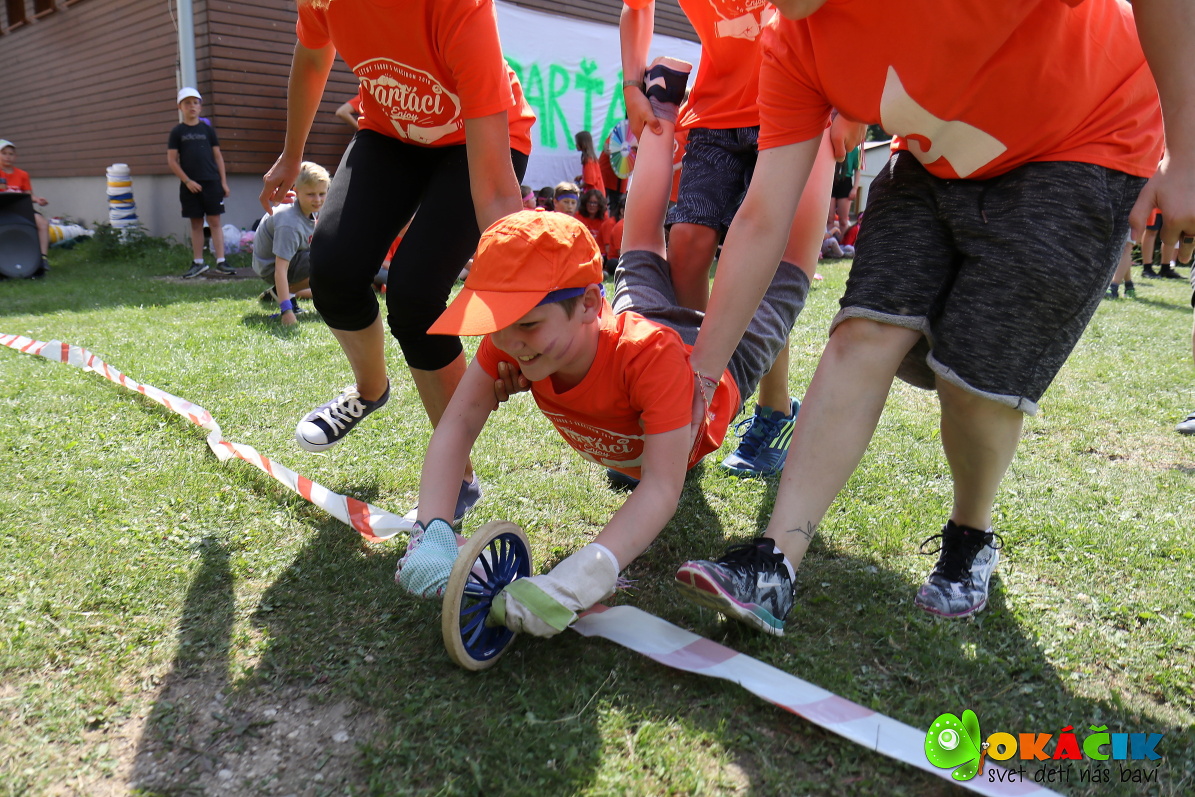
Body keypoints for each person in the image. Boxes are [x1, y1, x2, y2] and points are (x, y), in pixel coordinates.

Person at [673, 0, 1182, 636]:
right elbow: (760, 218)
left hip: (1086, 133)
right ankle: (773, 564)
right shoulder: (790, 42)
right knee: (864, 328)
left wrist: (1187, 151)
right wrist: (700, 376)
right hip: (939, 152)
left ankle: (971, 534)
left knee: (973, 385)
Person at [394, 62, 809, 635]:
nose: (509, 342)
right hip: (636, 333)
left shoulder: (645, 359)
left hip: (711, 368)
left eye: (527, 324)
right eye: (498, 323)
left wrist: (580, 578)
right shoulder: (518, 335)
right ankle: (663, 110)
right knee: (642, 242)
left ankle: (815, 128)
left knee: (787, 271)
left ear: (590, 303)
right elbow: (457, 425)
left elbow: (661, 487)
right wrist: (433, 529)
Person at [259, 0, 533, 524]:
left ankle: (457, 477)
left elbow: (498, 192)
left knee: (415, 296)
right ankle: (370, 390)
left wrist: (515, 295)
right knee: (333, 271)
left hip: (474, 138)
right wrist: (292, 156)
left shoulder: (459, 7)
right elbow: (313, 58)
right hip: (390, 135)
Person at [620, 0, 844, 478]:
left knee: (764, 261)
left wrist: (852, 103)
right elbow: (635, 8)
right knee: (687, 242)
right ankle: (684, 404)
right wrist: (631, 85)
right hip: (714, 112)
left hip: (794, 102)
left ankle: (773, 411)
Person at [252, 161, 329, 325]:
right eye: (311, 194)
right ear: (296, 191)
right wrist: (286, 311)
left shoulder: (309, 208)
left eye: (322, 194)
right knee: (327, 262)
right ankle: (286, 297)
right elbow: (280, 269)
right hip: (271, 267)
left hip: (293, 258)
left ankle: (284, 294)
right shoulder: (289, 223)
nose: (317, 200)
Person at [167, 88, 232, 279]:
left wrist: (223, 182)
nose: (192, 106)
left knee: (215, 221)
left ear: (200, 106)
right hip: (190, 186)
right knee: (196, 223)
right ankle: (198, 262)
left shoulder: (208, 130)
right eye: (187, 103)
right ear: (180, 107)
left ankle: (221, 261)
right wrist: (187, 181)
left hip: (211, 183)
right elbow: (172, 160)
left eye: (195, 103)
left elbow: (218, 157)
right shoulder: (177, 132)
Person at [0, 139, 50, 277]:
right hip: (1, 209)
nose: (8, 157)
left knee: (42, 223)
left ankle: (42, 259)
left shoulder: (22, 174)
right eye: (4, 153)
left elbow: (28, 195)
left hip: (20, 210)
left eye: (11, 154)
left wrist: (38, 199)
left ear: (15, 157)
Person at [827, 140, 863, 229]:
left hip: (845, 181)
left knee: (843, 221)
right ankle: (829, 237)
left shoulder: (855, 149)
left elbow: (857, 169)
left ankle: (843, 237)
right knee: (829, 219)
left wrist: (855, 188)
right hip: (831, 179)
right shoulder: (832, 143)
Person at [575, 130, 605, 196]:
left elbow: (589, 182)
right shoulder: (591, 158)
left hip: (594, 195)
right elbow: (593, 176)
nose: (576, 145)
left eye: (577, 143)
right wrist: (582, 177)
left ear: (583, 144)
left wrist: (576, 188)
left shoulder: (589, 161)